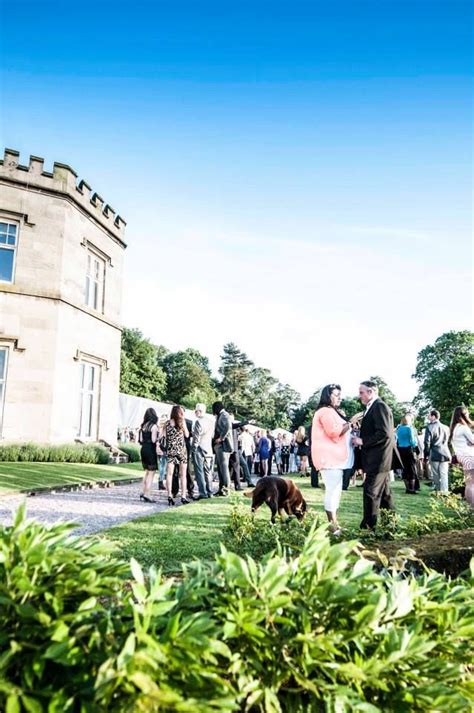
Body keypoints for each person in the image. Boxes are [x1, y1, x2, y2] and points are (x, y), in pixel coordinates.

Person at [311, 384, 356, 534]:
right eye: (336, 395)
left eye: (339, 395)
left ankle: (334, 524)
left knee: (335, 491)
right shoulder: (325, 411)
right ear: (327, 396)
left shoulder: (330, 411)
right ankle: (333, 526)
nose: (339, 398)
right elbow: (333, 432)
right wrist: (350, 422)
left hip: (334, 458)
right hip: (329, 459)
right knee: (332, 491)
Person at [352, 381, 396, 529]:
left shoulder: (380, 406)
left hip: (378, 459)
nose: (359, 396)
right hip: (376, 458)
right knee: (384, 494)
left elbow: (384, 434)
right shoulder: (372, 408)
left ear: (371, 392)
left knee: (370, 493)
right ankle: (391, 524)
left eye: (361, 392)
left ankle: (368, 527)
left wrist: (362, 440)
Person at [160, 405, 189, 506]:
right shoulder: (182, 422)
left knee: (169, 474)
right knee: (183, 475)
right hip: (181, 450)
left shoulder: (167, 423)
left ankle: (169, 495)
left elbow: (162, 436)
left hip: (171, 450)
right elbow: (187, 435)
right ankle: (183, 496)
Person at [449, 406, 474, 507]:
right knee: (471, 484)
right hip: (470, 456)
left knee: (469, 484)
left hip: (462, 456)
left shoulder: (454, 428)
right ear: (464, 414)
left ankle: (470, 507)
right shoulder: (464, 428)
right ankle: (472, 506)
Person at [423, 409, 451, 494]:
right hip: (445, 451)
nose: (428, 416)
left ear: (433, 416)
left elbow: (427, 442)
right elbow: (448, 440)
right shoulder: (446, 427)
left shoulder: (429, 427)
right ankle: (445, 491)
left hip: (434, 451)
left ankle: (438, 490)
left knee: (435, 473)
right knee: (444, 473)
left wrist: (426, 454)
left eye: (429, 415)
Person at [192, 403, 214, 499]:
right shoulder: (210, 422)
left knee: (199, 472)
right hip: (208, 449)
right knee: (208, 472)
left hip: (199, 449)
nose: (195, 412)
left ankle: (202, 493)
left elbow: (196, 439)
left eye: (196, 411)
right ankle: (210, 492)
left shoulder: (198, 422)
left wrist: (193, 449)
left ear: (199, 411)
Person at [212, 401, 233, 496]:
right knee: (221, 469)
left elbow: (228, 426)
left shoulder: (224, 415)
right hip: (221, 446)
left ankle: (226, 489)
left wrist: (221, 438)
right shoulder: (222, 415)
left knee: (224, 469)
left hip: (223, 446)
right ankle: (221, 489)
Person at [138, 408, 159, 503]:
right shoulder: (154, 426)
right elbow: (154, 440)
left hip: (143, 449)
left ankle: (143, 491)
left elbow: (141, 440)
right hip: (150, 449)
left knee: (146, 472)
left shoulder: (143, 426)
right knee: (151, 472)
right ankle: (147, 494)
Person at [396, 414, 420, 494]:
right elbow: (412, 440)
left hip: (400, 450)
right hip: (408, 449)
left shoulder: (398, 428)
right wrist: (416, 448)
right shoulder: (410, 428)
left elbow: (397, 439)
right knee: (411, 469)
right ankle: (412, 488)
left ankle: (407, 488)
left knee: (404, 469)